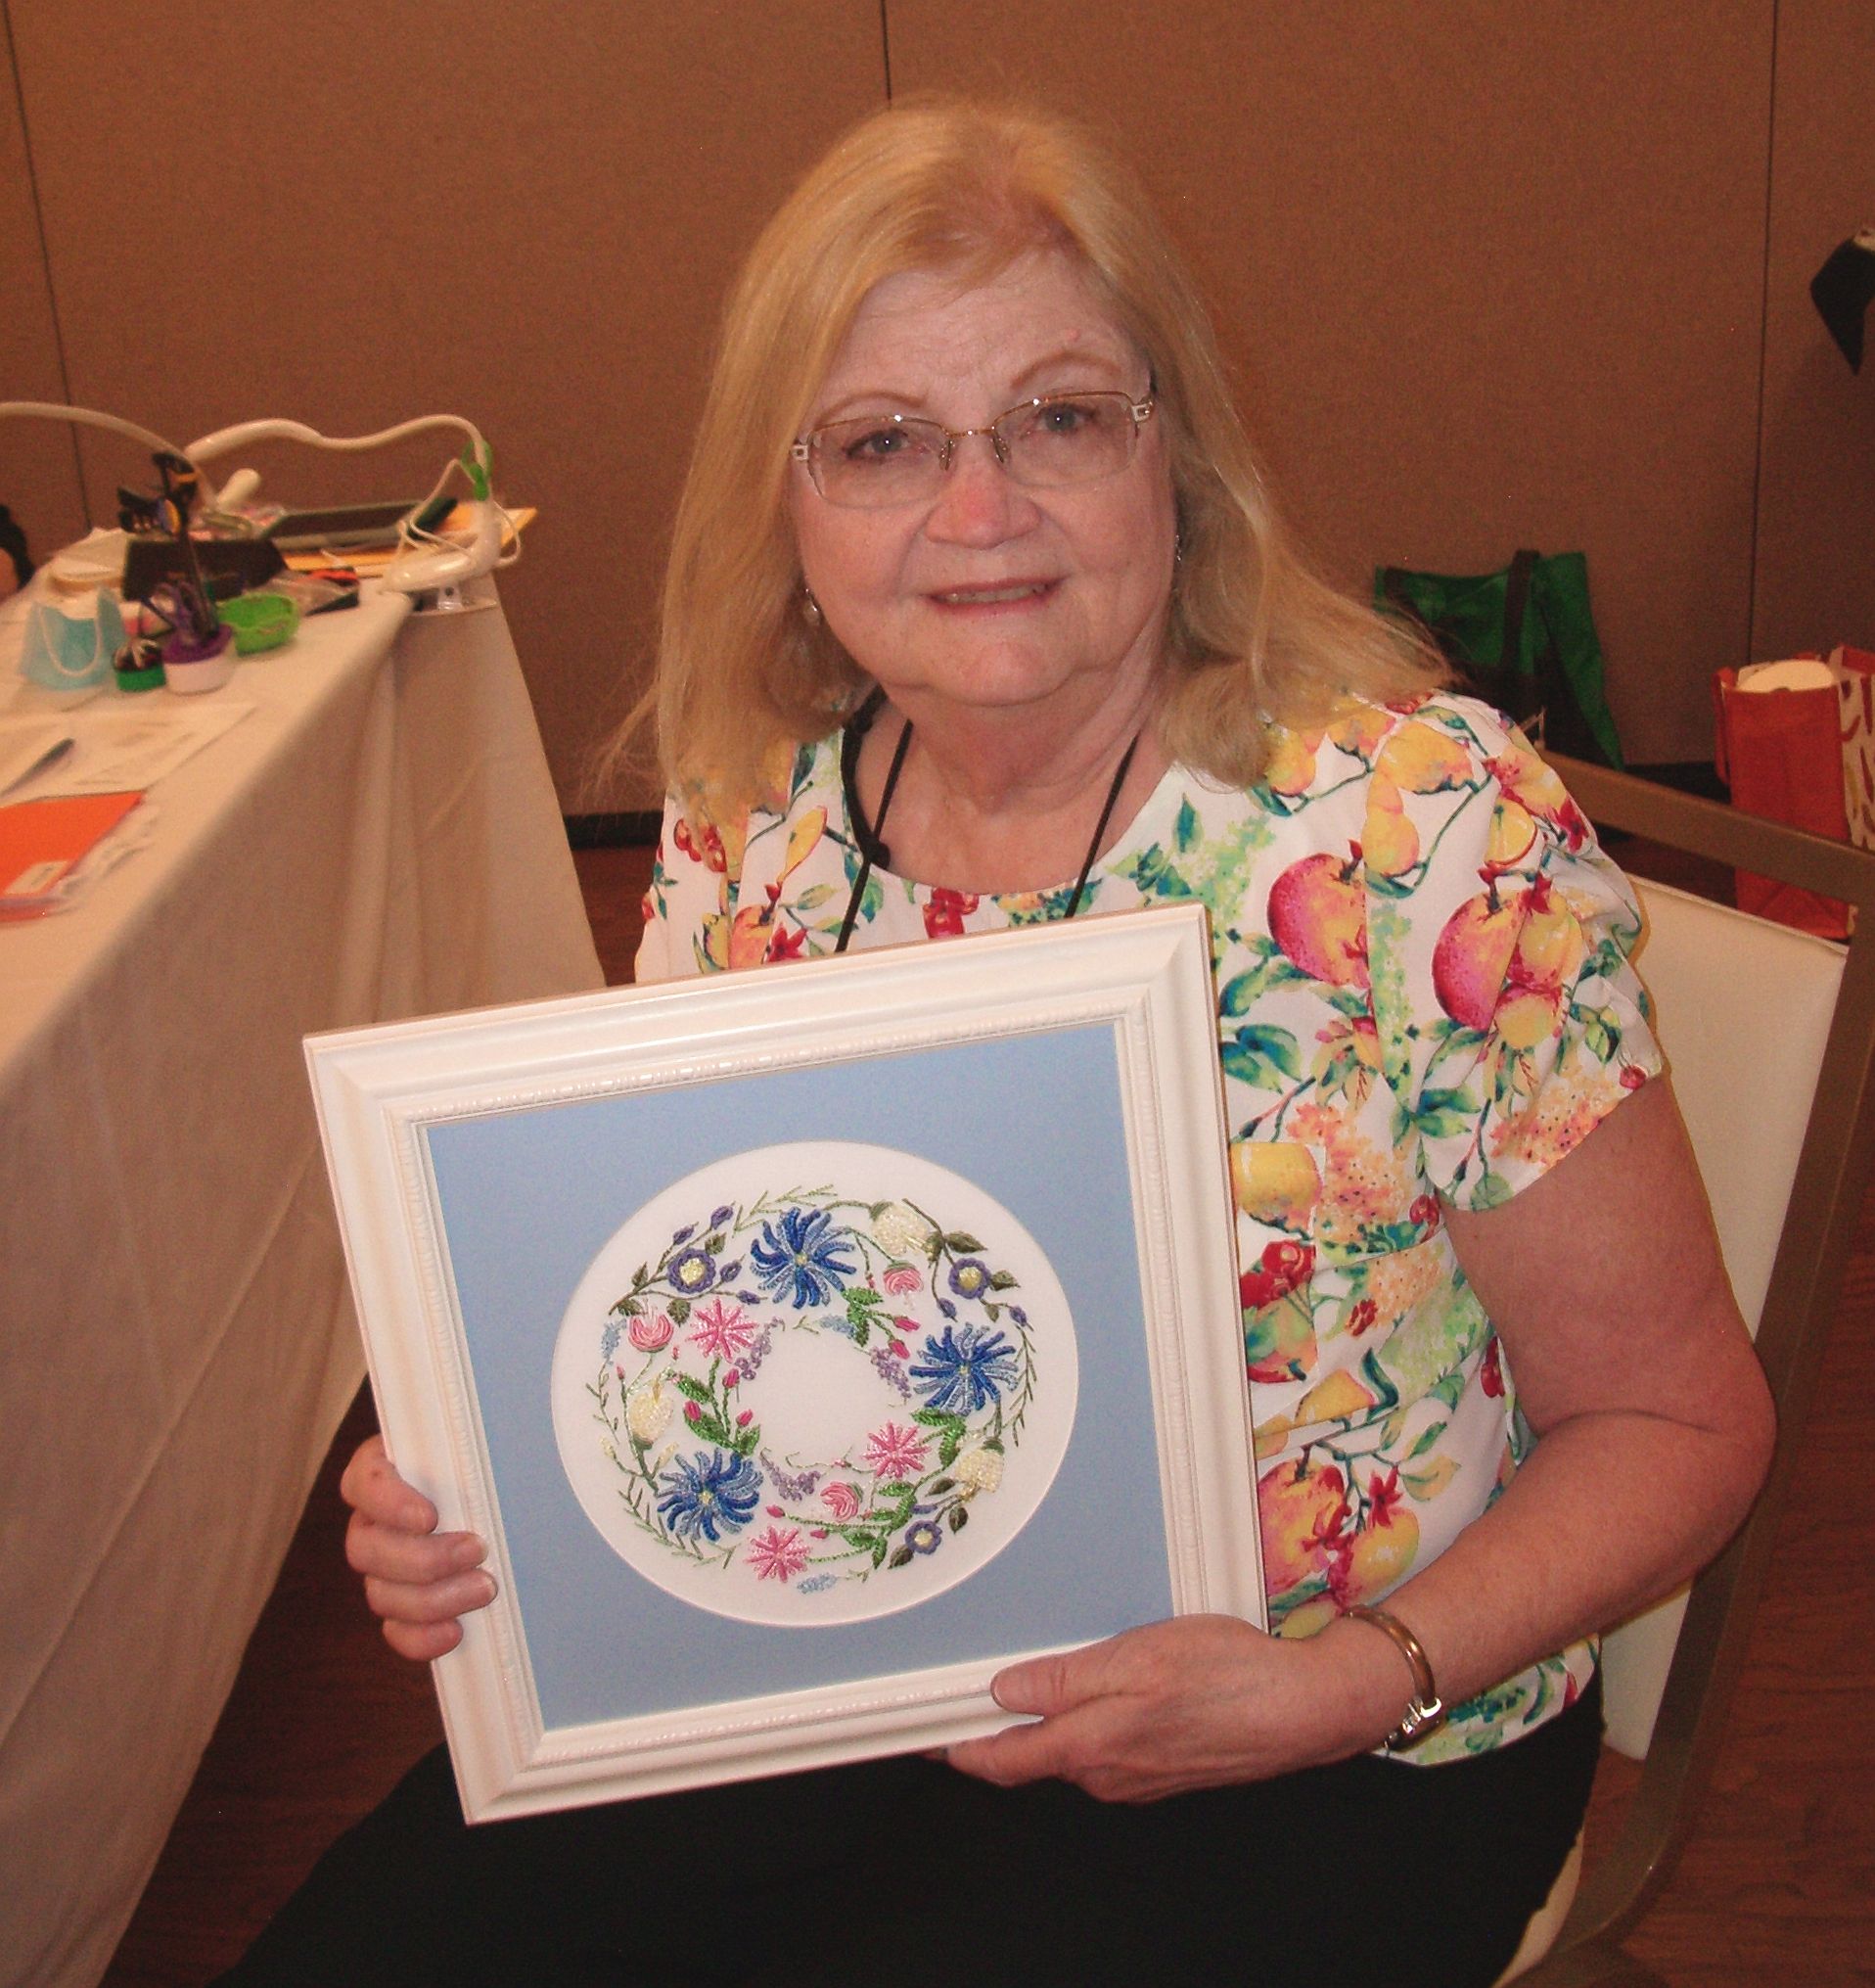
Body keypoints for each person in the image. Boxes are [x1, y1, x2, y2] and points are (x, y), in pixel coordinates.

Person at [226, 97, 1774, 1986]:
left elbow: (1683, 1425)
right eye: (883, 442)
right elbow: (699, 1307)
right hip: (836, 1673)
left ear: (1176, 459)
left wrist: (1345, 1685)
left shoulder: (1415, 838)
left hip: (1331, 1744)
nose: (979, 515)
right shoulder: (754, 824)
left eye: (1061, 419)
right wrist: (486, 1508)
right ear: (786, 506)